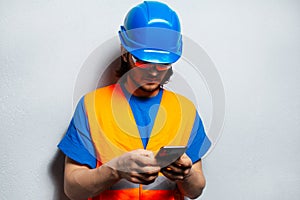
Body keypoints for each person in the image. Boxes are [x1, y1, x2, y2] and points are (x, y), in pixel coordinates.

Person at [58, 1, 211, 200]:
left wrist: (186, 175)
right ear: (125, 51)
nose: (154, 71)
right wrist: (115, 170)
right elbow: (72, 189)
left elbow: (196, 190)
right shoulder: (91, 107)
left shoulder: (186, 110)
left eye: (163, 63)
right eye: (143, 60)